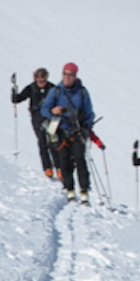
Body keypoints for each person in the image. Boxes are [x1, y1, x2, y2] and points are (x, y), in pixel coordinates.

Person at [40, 63, 97, 203]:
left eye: (70, 74)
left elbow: (90, 113)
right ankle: (69, 190)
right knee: (64, 160)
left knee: (79, 159)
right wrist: (53, 111)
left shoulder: (82, 92)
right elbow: (44, 110)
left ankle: (84, 191)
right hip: (61, 131)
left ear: (75, 76)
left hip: (77, 131)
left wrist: (86, 127)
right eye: (64, 74)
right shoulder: (56, 91)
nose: (67, 77)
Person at [11, 68, 57, 178]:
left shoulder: (52, 88)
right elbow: (17, 99)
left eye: (44, 80)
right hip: (37, 118)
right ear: (36, 79)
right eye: (39, 80)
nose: (42, 83)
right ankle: (48, 168)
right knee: (42, 142)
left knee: (54, 142)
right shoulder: (31, 88)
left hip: (51, 118)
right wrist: (14, 91)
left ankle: (59, 168)